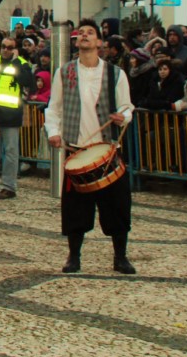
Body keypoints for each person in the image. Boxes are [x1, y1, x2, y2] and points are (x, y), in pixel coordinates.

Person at [46, 19, 136, 275]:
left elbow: (127, 106)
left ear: (99, 42)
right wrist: (54, 132)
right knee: (75, 210)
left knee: (117, 208)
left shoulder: (115, 73)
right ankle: (74, 256)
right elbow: (54, 108)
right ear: (76, 41)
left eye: (90, 33)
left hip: (107, 150)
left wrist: (122, 117)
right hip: (76, 148)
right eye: (81, 33)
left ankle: (120, 257)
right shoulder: (64, 72)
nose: (84, 36)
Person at [0, 38, 34, 199]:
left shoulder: (22, 64)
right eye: (3, 46)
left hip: (11, 114)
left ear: (15, 49)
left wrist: (16, 63)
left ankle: (9, 187)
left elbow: (28, 82)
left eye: (9, 47)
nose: (5, 49)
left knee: (11, 153)